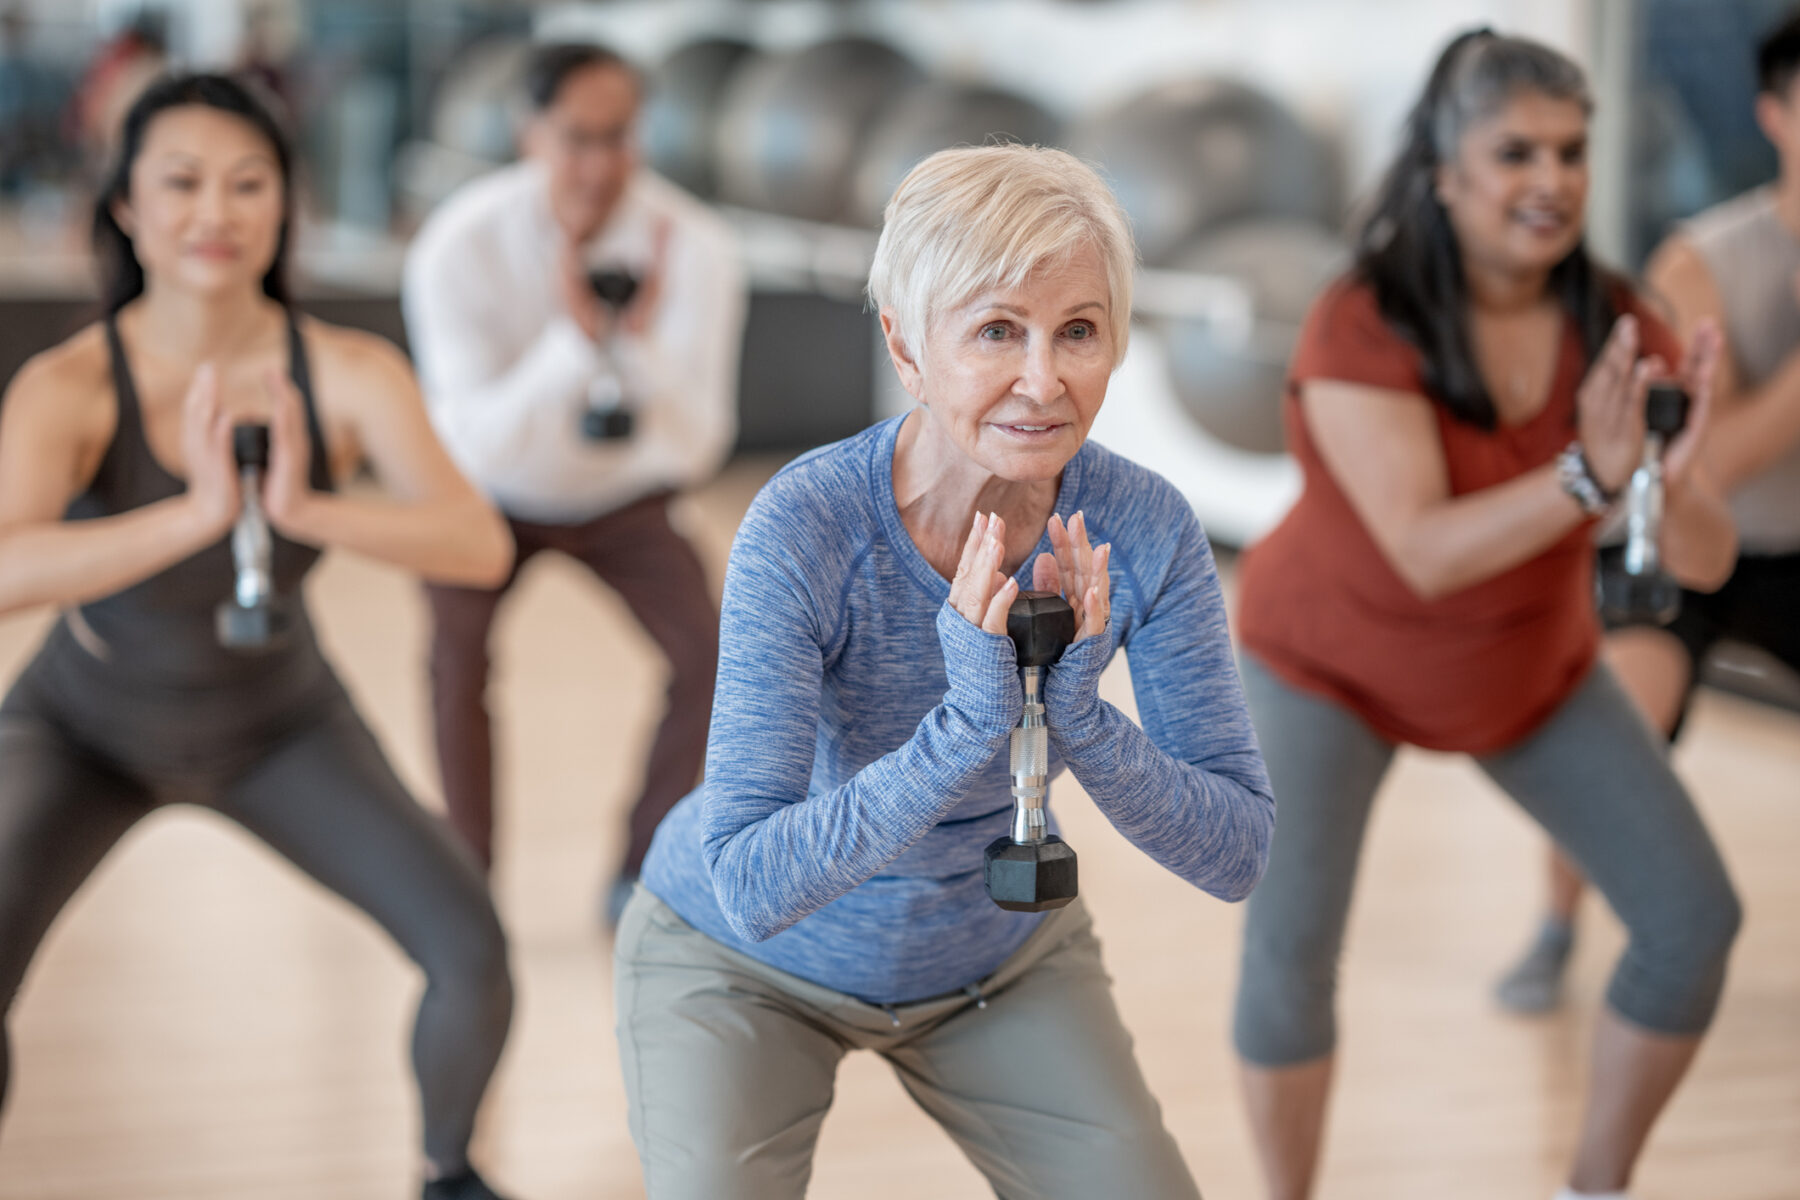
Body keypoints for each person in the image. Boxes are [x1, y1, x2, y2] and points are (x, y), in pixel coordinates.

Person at [614, 143, 1275, 1200]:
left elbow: (1236, 851)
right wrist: (969, 721)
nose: (1044, 380)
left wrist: (1084, 724)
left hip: (998, 962)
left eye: (1079, 332)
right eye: (997, 331)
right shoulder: (808, 524)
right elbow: (749, 881)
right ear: (907, 348)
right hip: (741, 967)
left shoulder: (1142, 528)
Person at [1229, 31, 1742, 1200]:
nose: (1552, 180)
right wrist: (1591, 477)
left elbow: (1700, 558)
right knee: (1293, 954)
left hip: (1527, 672)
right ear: (1444, 170)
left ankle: (1594, 1186)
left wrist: (1681, 473)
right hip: (1328, 664)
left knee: (1692, 920)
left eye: (1570, 151)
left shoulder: (1620, 322)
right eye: (1515, 152)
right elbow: (1420, 551)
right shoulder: (1361, 319)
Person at [0, 74, 518, 1200]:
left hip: (279, 721)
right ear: (127, 209)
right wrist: (189, 517)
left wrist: (306, 510)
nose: (215, 213)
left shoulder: (343, 373)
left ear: (284, 205)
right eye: (180, 183)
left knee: (469, 948)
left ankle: (449, 1175)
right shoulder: (73, 386)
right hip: (81, 724)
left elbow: (475, 545)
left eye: (248, 184)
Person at [1495, 5, 1800, 1015]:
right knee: (1620, 712)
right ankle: (1553, 923)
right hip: (1683, 541)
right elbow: (1693, 461)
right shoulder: (1705, 262)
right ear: (1773, 115)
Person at [403, 42, 745, 921]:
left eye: (620, 137)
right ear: (530, 134)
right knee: (453, 661)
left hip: (623, 496)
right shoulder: (459, 245)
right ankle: (465, 887)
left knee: (715, 661)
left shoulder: (696, 248)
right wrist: (573, 341)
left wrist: (630, 342)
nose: (599, 165)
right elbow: (470, 434)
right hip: (486, 494)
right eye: (577, 138)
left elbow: (700, 441)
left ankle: (639, 871)